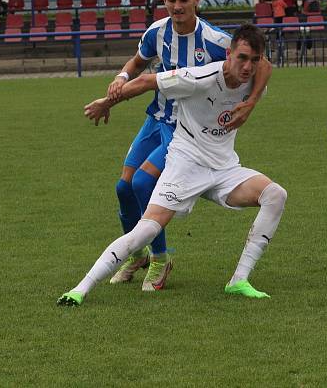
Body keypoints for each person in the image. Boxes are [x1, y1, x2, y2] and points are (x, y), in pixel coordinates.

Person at [58, 25, 286, 306]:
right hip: (185, 164)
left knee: (275, 194)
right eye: (242, 58)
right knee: (146, 230)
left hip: (225, 169)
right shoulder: (200, 77)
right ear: (229, 54)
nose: (248, 66)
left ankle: (238, 281)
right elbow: (145, 82)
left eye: (254, 60)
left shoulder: (253, 82)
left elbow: (266, 67)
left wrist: (250, 103)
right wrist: (107, 102)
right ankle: (80, 289)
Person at [95, 0, 272, 292]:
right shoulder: (156, 32)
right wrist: (120, 78)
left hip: (183, 128)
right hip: (156, 118)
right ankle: (137, 257)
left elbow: (263, 65)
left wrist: (251, 103)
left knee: (143, 182)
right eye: (171, 0)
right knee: (124, 188)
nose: (177, 7)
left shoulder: (217, 40)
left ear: (196, 0)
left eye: (184, 0)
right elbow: (137, 63)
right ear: (164, 1)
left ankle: (160, 259)